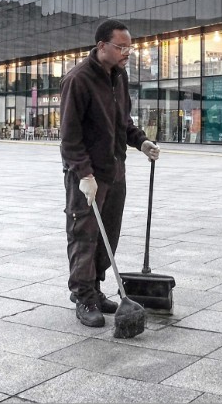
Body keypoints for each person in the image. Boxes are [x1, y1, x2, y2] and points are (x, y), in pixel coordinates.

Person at [60, 19, 161, 328]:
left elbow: (122, 122)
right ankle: (83, 296)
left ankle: (97, 287)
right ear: (101, 46)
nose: (126, 53)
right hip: (88, 176)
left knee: (108, 237)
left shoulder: (119, 77)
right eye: (121, 47)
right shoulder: (77, 80)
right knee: (85, 235)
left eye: (129, 47)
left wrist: (141, 141)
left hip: (115, 171)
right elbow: (70, 138)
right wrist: (84, 175)